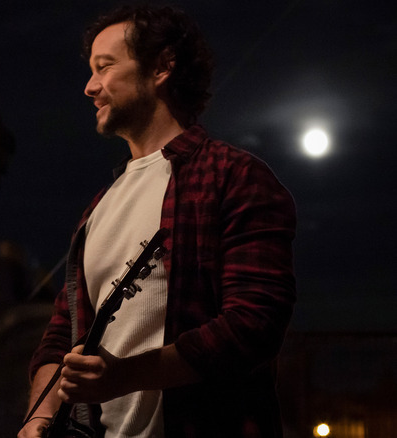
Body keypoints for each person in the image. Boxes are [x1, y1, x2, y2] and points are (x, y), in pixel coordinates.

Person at [19, 4, 296, 438]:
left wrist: (124, 377)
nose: (90, 87)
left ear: (163, 66)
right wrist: (39, 416)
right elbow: (61, 336)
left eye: (105, 67)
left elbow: (254, 323)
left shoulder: (235, 176)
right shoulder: (98, 208)